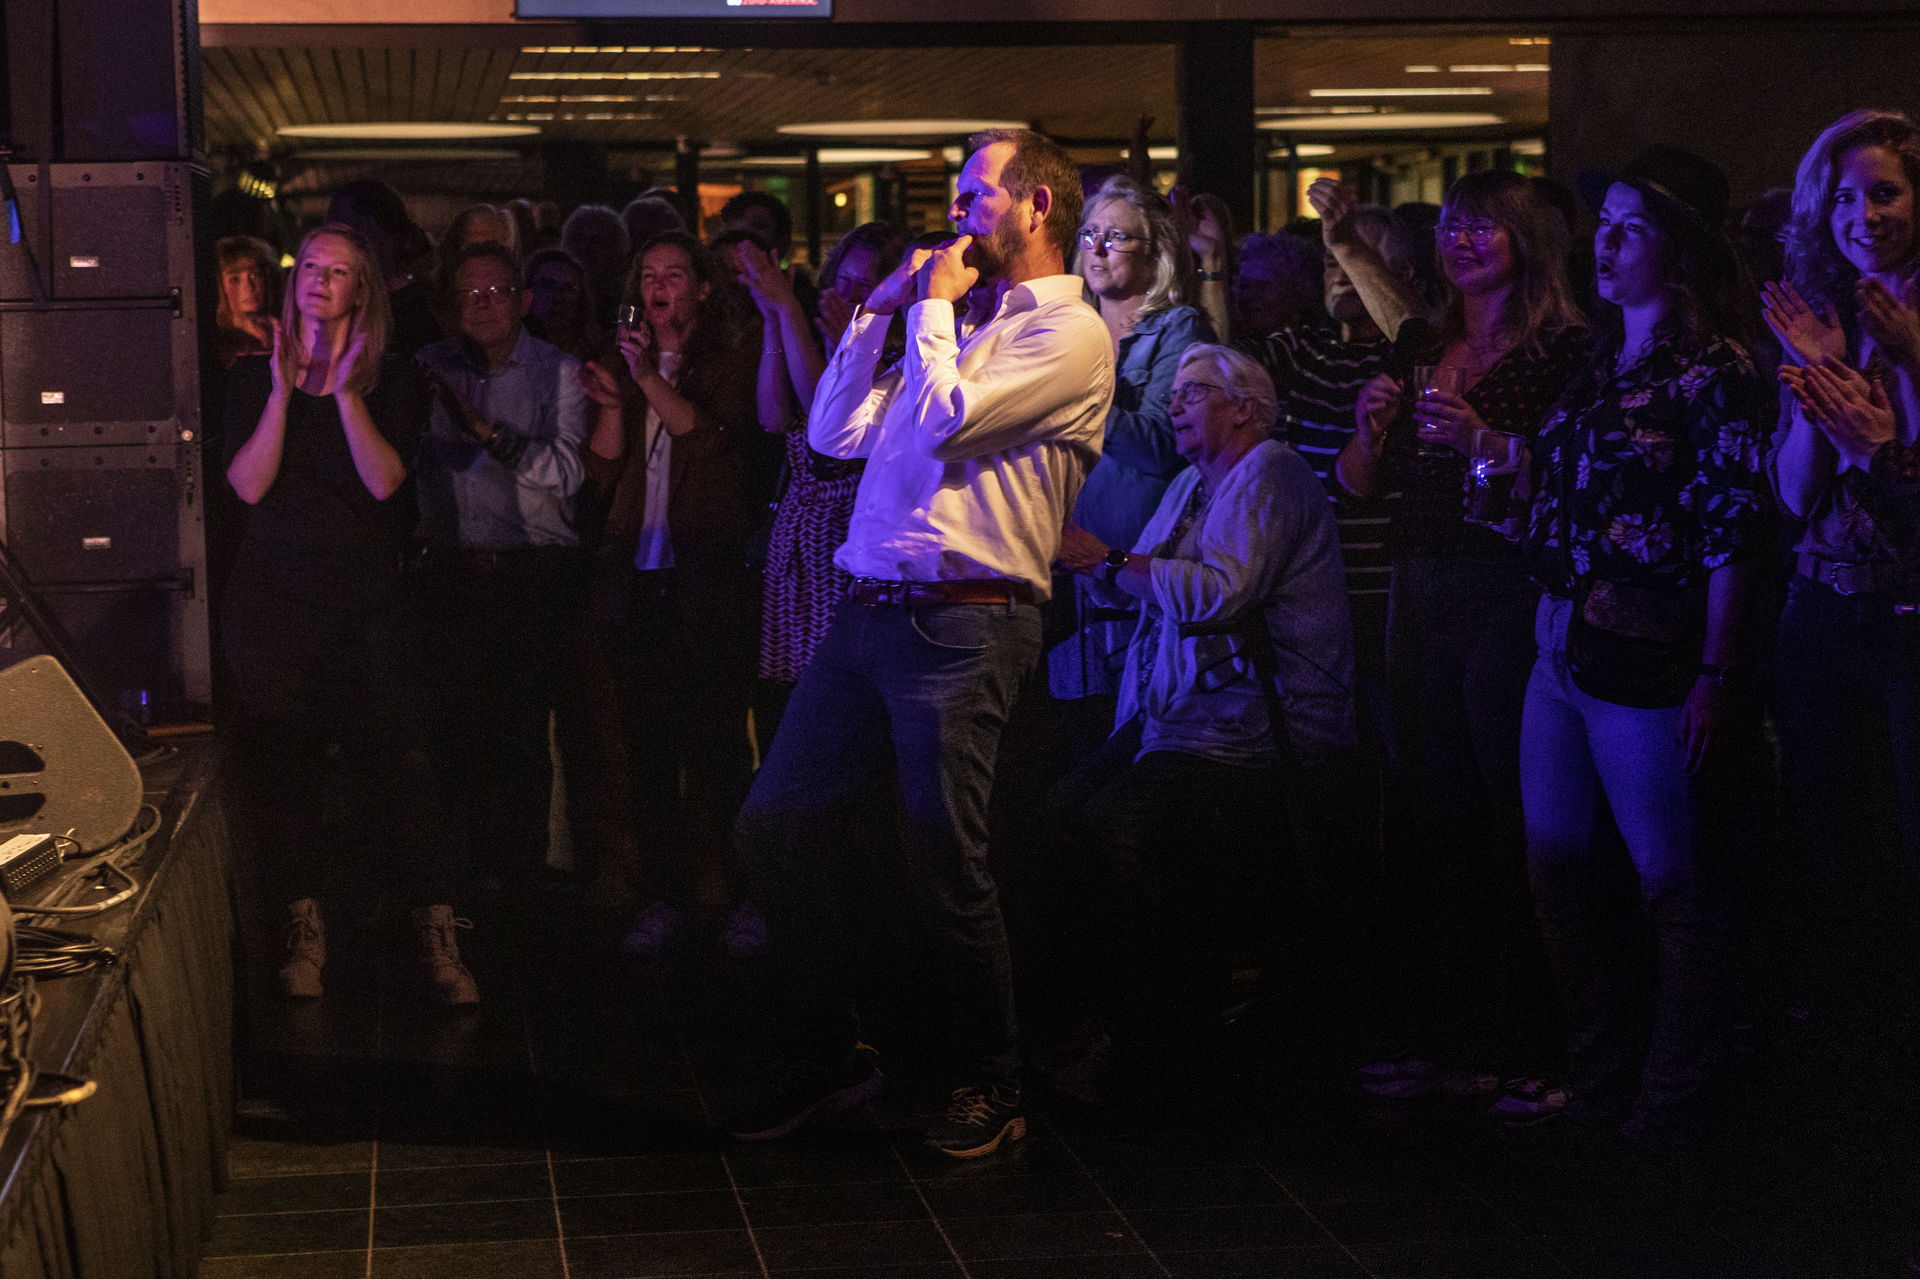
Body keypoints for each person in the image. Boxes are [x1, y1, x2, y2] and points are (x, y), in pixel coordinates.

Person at [729, 128, 1113, 1157]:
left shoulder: (1070, 337)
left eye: (976, 190)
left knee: (945, 856)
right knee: (777, 821)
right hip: (866, 612)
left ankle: (993, 1077)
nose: (957, 209)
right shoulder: (959, 320)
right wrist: (877, 313)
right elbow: (833, 435)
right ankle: (832, 1053)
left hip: (965, 622)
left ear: (1037, 207)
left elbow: (946, 423)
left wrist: (933, 308)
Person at [1513, 147, 1774, 1147]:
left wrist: (1715, 670)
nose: (1605, 244)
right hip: (1560, 639)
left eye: (1629, 229)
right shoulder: (1594, 356)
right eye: (1605, 224)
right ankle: (1601, 1076)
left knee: (1671, 881)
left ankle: (1673, 1098)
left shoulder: (1717, 370)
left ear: (1678, 251)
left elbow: (1732, 528)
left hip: (1651, 654)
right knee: (1561, 871)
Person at [1325, 168, 1587, 1085]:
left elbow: (1573, 484)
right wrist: (1368, 423)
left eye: (1483, 227)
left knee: (1507, 809)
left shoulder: (1564, 353)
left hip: (1499, 584)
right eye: (1452, 228)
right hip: (1413, 577)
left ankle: (1531, 1038)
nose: (1461, 241)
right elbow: (1357, 484)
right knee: (1430, 807)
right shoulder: (1418, 339)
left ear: (1528, 240)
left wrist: (1483, 438)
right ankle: (1448, 1031)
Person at [1043, 344, 1353, 1092]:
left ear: (1244, 406)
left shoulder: (1272, 472)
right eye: (1174, 394)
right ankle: (1115, 1017)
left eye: (1192, 393)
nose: (1174, 406)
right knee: (1054, 816)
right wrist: (1091, 565)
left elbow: (1221, 593)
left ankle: (1157, 1027)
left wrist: (1108, 561)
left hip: (1256, 724)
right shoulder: (1188, 482)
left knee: (1116, 829)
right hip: (1181, 716)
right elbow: (1136, 583)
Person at [222, 223, 478, 1006]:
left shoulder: (393, 378)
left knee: (405, 761)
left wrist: (339, 390)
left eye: (337, 272)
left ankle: (435, 933)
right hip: (275, 602)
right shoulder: (249, 375)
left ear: (362, 289)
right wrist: (280, 391)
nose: (317, 281)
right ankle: (306, 932)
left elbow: (384, 480)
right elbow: (248, 485)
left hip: (368, 600)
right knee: (288, 766)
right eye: (310, 268)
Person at [1766, 108, 1920, 1048]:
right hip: (1823, 607)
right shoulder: (1826, 320)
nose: (1864, 213)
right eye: (1845, 196)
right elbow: (1792, 497)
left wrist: (1908, 361)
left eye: (1887, 192)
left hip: (1910, 611)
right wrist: (1819, 382)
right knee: (1831, 845)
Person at [581, 231, 761, 959]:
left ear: (703, 289)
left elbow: (713, 442)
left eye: (675, 275)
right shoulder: (625, 362)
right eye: (648, 275)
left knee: (717, 747)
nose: (659, 286)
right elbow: (601, 472)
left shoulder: (730, 357)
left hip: (706, 575)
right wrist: (615, 402)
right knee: (648, 752)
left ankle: (745, 896)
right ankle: (663, 898)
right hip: (638, 576)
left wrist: (650, 381)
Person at [412, 242, 592, 897]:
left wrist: (486, 430)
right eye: (467, 295)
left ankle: (522, 874)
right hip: (451, 571)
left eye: (493, 294)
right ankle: (459, 878)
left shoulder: (559, 371)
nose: (480, 306)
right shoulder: (427, 367)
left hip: (529, 573)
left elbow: (567, 473)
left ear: (522, 300)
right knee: (455, 727)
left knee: (521, 729)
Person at [1049, 176, 1215, 710]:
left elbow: (1162, 444)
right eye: (1089, 234)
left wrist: (1075, 392)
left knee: (1121, 733)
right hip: (1057, 569)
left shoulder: (1176, 329)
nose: (1096, 249)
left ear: (1156, 254)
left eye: (1116, 237)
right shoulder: (1066, 327)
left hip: (1130, 571)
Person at [749, 221, 908, 690]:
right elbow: (773, 415)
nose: (851, 292)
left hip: (844, 531)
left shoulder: (894, 350)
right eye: (845, 279)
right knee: (786, 687)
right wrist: (774, 319)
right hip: (798, 533)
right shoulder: (810, 331)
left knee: (833, 686)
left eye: (866, 284)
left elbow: (827, 423)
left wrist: (789, 308)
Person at [327, 179, 442, 357]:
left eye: (341, 227)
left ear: (370, 229)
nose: (333, 241)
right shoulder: (344, 303)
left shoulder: (417, 312)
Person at [523, 247, 605, 363]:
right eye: (547, 285)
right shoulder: (509, 347)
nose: (557, 297)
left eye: (568, 289)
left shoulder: (597, 353)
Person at [214, 235, 280, 369]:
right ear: (220, 287)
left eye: (255, 275)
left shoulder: (291, 333)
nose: (249, 286)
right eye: (235, 279)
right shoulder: (216, 346)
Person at [561, 203, 632, 325]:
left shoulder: (628, 303)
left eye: (596, 240)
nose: (585, 247)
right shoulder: (559, 299)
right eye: (578, 238)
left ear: (617, 247)